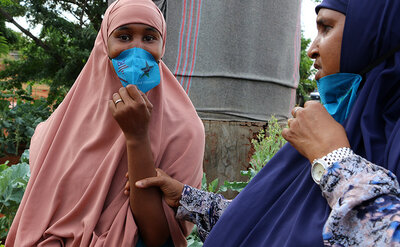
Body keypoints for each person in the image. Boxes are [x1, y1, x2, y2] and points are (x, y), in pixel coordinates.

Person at [129, 0, 400, 245]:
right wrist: (187, 199)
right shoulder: (337, 128)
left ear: (373, 37)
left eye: (326, 28)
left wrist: (334, 161)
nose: (312, 50)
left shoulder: (336, 147)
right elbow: (272, 221)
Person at [5, 0, 205, 246]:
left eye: (149, 38)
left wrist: (137, 137)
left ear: (162, 46)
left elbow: (158, 237)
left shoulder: (186, 129)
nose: (137, 49)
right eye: (123, 36)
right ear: (103, 44)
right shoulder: (61, 128)